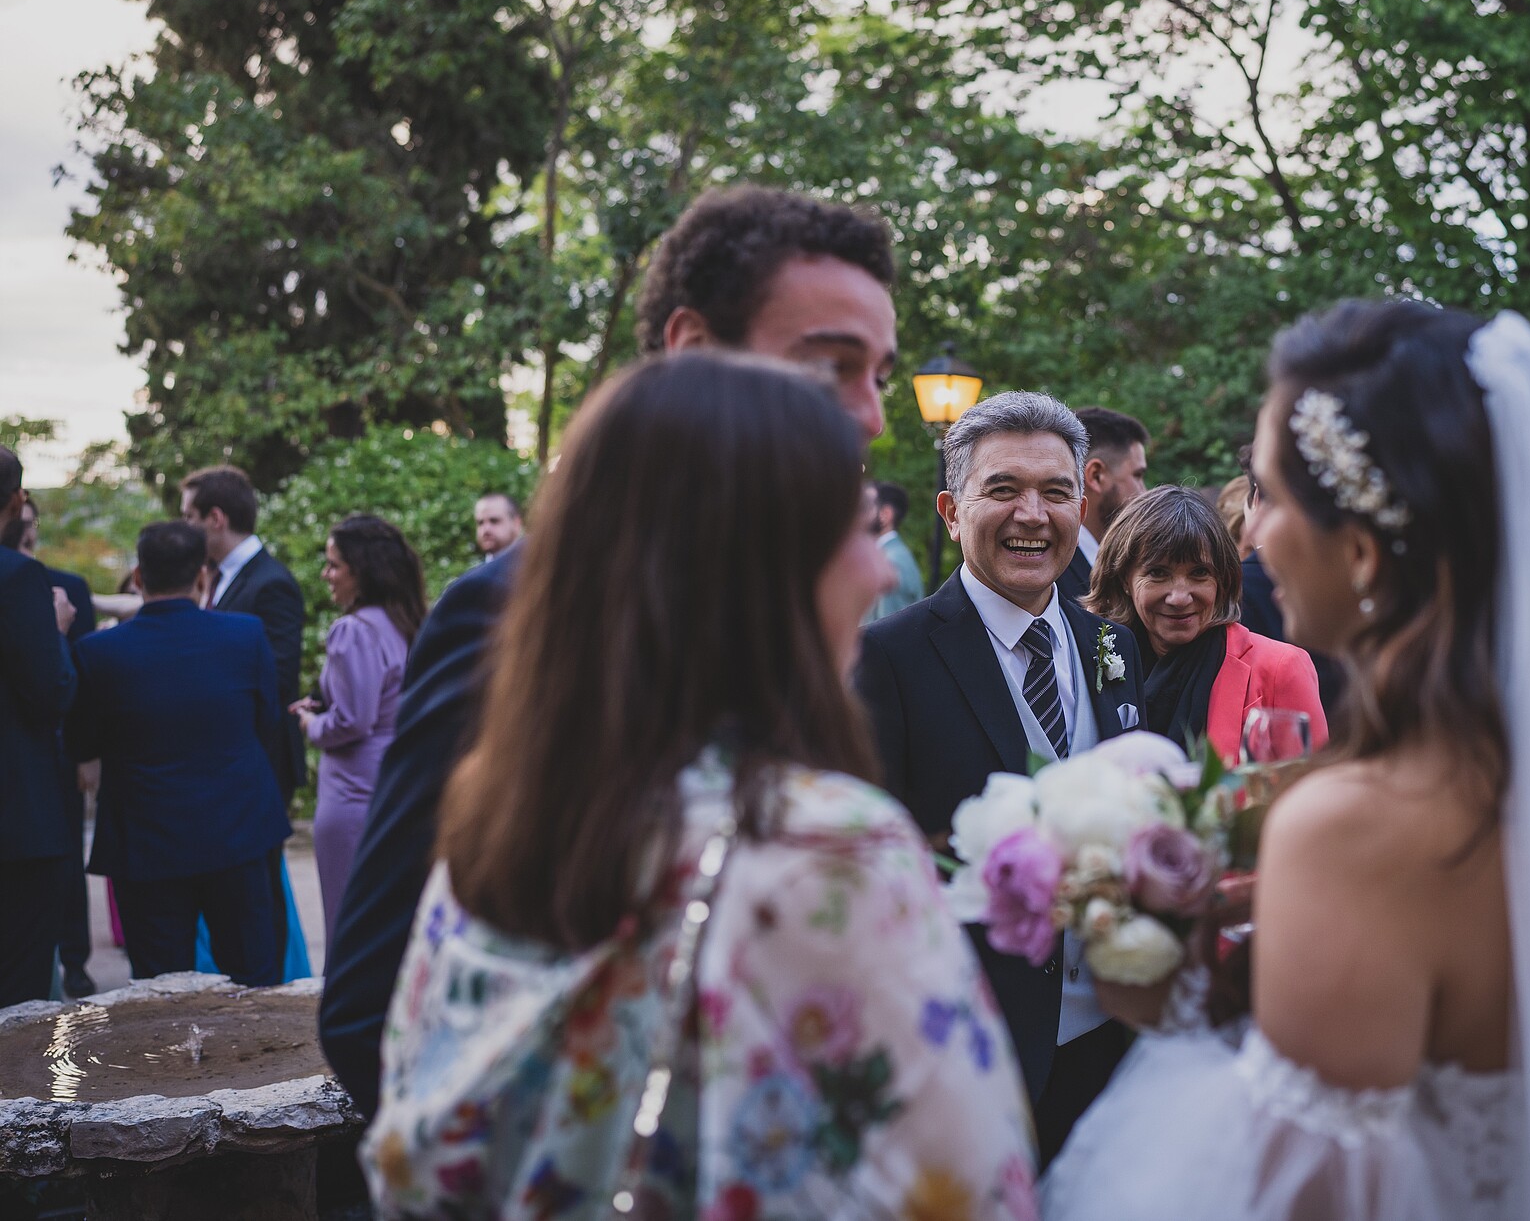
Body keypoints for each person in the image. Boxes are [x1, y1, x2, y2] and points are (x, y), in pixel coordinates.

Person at [1042, 302, 1530, 1220]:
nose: (1252, 538)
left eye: (1269, 497)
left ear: (1365, 550)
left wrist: (1152, 984)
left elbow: (1296, 1192)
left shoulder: (1355, 826)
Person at [363, 353, 1034, 1217]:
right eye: (852, 533)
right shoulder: (824, 847)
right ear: (757, 567)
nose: (876, 574)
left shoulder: (494, 819)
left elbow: (410, 1155)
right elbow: (978, 1191)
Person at [321, 185, 900, 1119]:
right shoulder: (509, 618)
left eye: (879, 373)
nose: (871, 415)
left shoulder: (815, 613)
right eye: (832, 367)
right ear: (694, 351)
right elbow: (370, 1004)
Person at [857, 390, 1147, 1163]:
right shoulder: (888, 659)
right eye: (1004, 489)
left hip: (1112, 1038)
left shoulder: (1114, 647)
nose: (1033, 514)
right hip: (972, 1053)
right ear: (953, 511)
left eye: (1056, 492)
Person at [65, 521, 293, 986]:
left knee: (160, 991)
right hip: (238, 831)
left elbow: (81, 743)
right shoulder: (245, 636)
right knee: (253, 983)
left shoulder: (96, 653)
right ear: (203, 578)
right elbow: (267, 722)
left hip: (146, 841)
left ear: (138, 577)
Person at [1086, 485, 1326, 764]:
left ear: (1223, 580)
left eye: (1199, 573)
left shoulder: (1279, 668)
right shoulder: (1092, 662)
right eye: (1157, 573)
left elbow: (1311, 789)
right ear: (1125, 580)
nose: (1179, 597)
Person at [292, 515, 424, 939]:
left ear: (360, 571)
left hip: (352, 793)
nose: (325, 575)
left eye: (333, 565)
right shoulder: (407, 622)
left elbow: (353, 721)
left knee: (349, 925)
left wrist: (312, 723)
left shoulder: (353, 630)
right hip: (398, 783)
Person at [1, 493, 99, 997]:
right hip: (18, 793)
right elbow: (52, 690)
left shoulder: (61, 582)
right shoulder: (18, 579)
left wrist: (85, 754)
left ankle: (76, 960)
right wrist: (55, 633)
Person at [181, 465, 308, 799]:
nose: (185, 527)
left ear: (216, 519)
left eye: (189, 517)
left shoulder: (271, 583)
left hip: (256, 759)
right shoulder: (215, 578)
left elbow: (278, 676)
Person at [1056, 407, 1149, 602]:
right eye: (1137, 476)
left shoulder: (1128, 563)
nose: (1144, 493)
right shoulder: (1052, 573)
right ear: (1096, 476)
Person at [864, 479, 924, 621]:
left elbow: (887, 636)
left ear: (885, 514)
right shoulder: (891, 557)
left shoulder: (892, 563)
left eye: (864, 507)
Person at [472, 492, 523, 561]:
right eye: (480, 523)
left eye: (494, 521)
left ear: (516, 523)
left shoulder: (537, 566)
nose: (486, 529)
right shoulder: (477, 571)